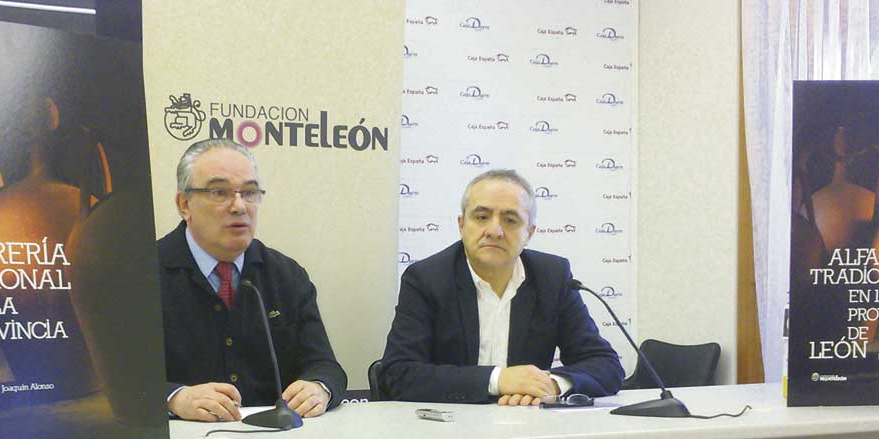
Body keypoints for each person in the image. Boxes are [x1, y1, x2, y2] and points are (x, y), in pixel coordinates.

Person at [381, 169, 623, 404]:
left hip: (529, 430)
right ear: (461, 225)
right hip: (449, 429)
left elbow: (605, 364)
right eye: (482, 217)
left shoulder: (552, 277)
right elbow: (399, 374)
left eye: (510, 220)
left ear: (529, 233)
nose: (495, 231)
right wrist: (498, 379)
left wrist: (552, 384)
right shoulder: (427, 278)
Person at [158, 139, 345, 421]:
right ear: (184, 204)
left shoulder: (286, 275)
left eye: (250, 193)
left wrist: (319, 387)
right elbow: (119, 379)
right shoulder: (143, 274)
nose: (239, 206)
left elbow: (325, 365)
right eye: (219, 192)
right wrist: (175, 397)